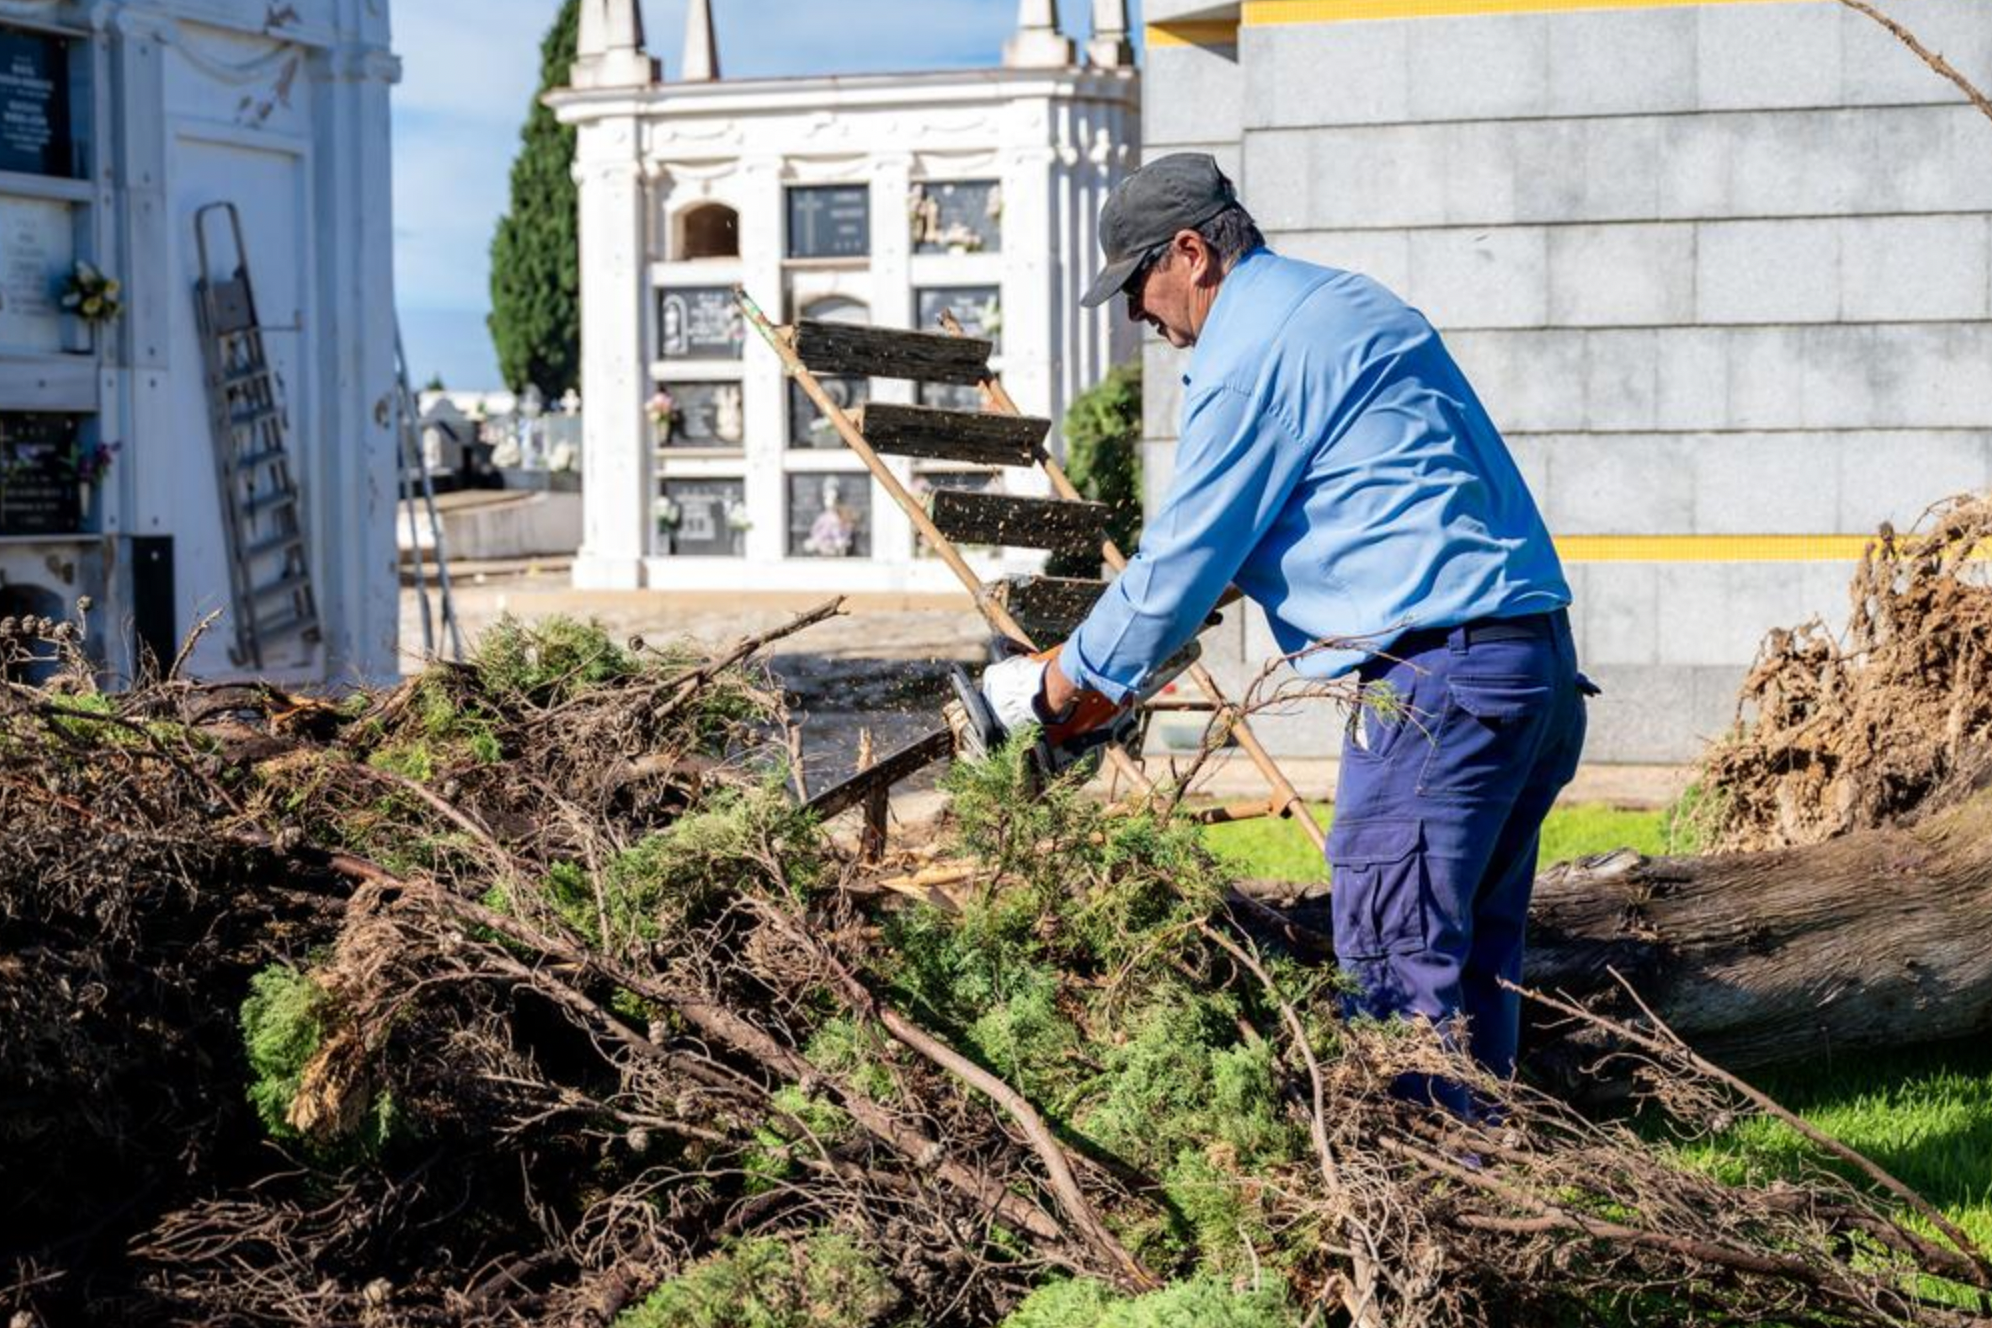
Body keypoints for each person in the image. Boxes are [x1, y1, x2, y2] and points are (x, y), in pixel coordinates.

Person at [978, 153, 1591, 1100]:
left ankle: (1423, 1213)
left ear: (1192, 254)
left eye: (1139, 284)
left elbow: (1185, 558)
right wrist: (1109, 665)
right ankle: (1495, 1185)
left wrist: (1052, 692)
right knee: (1473, 966)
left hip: (1439, 688)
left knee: (1395, 971)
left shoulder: (1251, 354)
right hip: (1528, 669)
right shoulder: (1341, 303)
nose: (1139, 315)